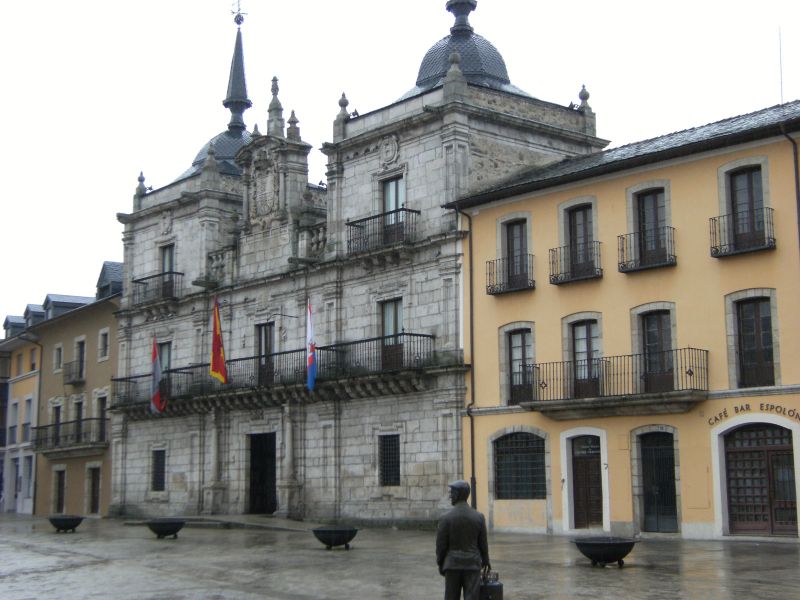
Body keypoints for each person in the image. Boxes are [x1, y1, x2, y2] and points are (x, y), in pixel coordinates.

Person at [436, 480, 491, 600]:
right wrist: (486, 560)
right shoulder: (479, 517)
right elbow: (483, 544)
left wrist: (441, 563)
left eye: (452, 492)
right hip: (472, 565)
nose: (450, 496)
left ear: (459, 494)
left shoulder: (445, 518)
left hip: (452, 566)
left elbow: (441, 546)